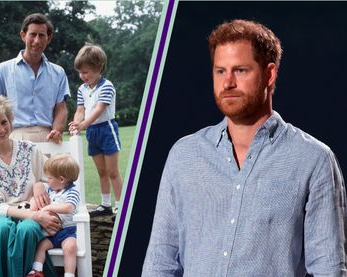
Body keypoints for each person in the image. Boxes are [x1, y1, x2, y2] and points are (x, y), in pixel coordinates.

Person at [142, 19, 346, 276]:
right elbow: (160, 261)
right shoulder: (184, 155)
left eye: (240, 70)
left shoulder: (313, 160)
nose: (227, 83)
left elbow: (329, 269)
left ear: (269, 74)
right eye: (220, 71)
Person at [0, 96, 61, 277]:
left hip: (32, 210)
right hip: (0, 217)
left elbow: (54, 179)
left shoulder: (30, 149)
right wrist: (35, 215)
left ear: (10, 121)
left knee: (28, 229)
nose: (1, 129)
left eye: (4, 122)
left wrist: (40, 185)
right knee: (3, 229)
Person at [0, 13, 70, 144]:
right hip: (14, 137)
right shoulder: (3, 70)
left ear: (48, 38)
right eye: (33, 34)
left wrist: (57, 130)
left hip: (48, 137)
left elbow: (61, 108)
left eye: (42, 35)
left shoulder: (58, 73)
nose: (37, 41)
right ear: (23, 35)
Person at [69, 43, 123, 217]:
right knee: (101, 171)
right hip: (93, 132)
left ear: (98, 67)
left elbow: (99, 109)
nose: (82, 76)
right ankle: (105, 205)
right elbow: (80, 110)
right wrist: (76, 123)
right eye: (80, 72)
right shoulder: (82, 89)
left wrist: (84, 124)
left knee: (112, 171)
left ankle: (121, 205)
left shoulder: (107, 86)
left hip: (106, 130)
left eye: (85, 72)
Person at [26, 154, 80, 277]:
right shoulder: (51, 189)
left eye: (49, 178)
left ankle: (69, 274)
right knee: (41, 246)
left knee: (70, 248)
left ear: (61, 179)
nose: (47, 180)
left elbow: (68, 208)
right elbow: (37, 193)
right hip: (52, 232)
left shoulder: (72, 191)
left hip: (68, 231)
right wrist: (34, 202)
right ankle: (37, 271)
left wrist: (49, 207)